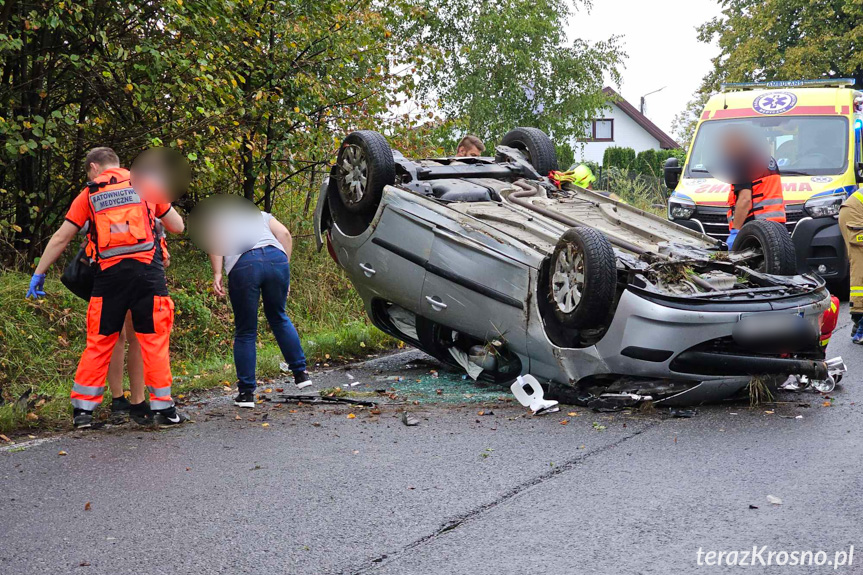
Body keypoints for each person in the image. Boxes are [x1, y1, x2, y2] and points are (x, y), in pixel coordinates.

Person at [26, 147, 186, 428]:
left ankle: (82, 414)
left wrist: (39, 274)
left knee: (100, 342)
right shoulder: (147, 184)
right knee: (153, 341)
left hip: (108, 278)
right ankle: (164, 409)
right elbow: (178, 226)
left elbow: (63, 236)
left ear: (93, 168)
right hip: (147, 275)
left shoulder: (89, 194)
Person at [208, 208, 311, 408]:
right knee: (279, 316)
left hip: (244, 264)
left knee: (246, 330)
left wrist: (217, 274)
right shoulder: (260, 215)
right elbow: (285, 235)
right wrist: (284, 268)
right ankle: (301, 374)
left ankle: (246, 394)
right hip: (276, 259)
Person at [721, 127, 786, 248]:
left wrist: (735, 231)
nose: (724, 148)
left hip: (755, 230)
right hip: (777, 228)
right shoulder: (766, 159)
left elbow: (745, 199)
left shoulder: (743, 161)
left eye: (727, 143)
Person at [839, 187, 863, 343]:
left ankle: (858, 319)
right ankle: (861, 324)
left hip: (855, 212)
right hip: (855, 215)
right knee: (861, 267)